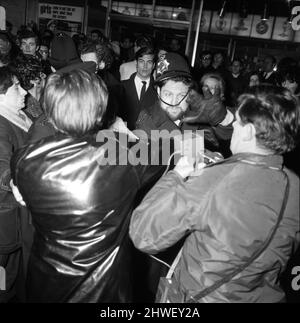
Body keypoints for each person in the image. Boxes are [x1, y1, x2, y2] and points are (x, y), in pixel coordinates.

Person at [130, 85, 300, 303]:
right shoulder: (294, 185)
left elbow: (143, 234)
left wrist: (177, 175)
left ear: (248, 132)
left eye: (237, 122)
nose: (234, 127)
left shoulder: (213, 181)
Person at [10, 69, 166, 303]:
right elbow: (164, 153)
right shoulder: (119, 156)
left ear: (50, 109)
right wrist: (125, 133)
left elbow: (21, 194)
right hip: (103, 287)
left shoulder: (24, 159)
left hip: (46, 279)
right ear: (99, 109)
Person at [136, 54, 234, 158]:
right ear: (159, 92)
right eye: (168, 94)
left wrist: (224, 118)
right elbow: (147, 165)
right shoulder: (147, 119)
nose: (174, 102)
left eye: (181, 95)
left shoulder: (198, 113)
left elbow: (227, 135)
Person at [0, 67, 33, 302]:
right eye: (16, 87)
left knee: (12, 273)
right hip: (6, 216)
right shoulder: (2, 124)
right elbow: (1, 164)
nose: (24, 92)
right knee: (4, 275)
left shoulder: (18, 116)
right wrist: (11, 181)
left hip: (16, 213)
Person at [121, 46, 157, 130]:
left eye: (149, 62)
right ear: (136, 63)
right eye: (141, 61)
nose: (145, 66)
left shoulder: (159, 90)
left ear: (154, 65)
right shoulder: (122, 87)